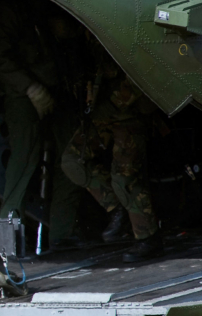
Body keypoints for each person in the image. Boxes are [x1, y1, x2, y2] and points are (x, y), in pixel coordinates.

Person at [0, 1, 84, 251]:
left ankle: (63, 235)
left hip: (56, 90)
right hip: (24, 96)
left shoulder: (43, 8)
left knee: (71, 157)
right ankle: (7, 244)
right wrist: (30, 88)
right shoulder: (12, 11)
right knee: (23, 161)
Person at [61, 40, 161, 262]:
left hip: (129, 114)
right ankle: (119, 209)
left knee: (123, 178)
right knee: (72, 161)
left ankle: (148, 237)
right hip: (103, 114)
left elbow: (140, 77)